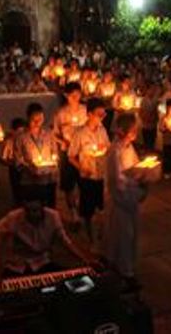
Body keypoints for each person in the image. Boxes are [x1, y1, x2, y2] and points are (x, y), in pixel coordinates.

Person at [0, 187, 92, 278]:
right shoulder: (14, 217)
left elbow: (66, 242)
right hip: (17, 267)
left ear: (43, 206)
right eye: (27, 211)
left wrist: (85, 259)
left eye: (35, 210)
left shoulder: (53, 216)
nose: (31, 214)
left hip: (42, 263)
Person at [102, 113, 148, 291]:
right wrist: (135, 190)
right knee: (123, 236)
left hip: (131, 197)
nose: (135, 133)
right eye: (132, 130)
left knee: (130, 235)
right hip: (121, 201)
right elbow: (117, 181)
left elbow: (135, 167)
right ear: (122, 131)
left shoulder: (129, 147)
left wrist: (144, 175)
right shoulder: (115, 151)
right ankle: (125, 273)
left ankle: (124, 267)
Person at [68, 98, 110, 243]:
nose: (102, 117)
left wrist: (104, 149)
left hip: (101, 175)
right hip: (87, 177)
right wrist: (81, 167)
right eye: (99, 114)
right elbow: (71, 156)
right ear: (89, 114)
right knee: (88, 211)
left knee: (102, 208)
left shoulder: (102, 130)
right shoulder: (80, 133)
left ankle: (101, 235)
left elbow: (108, 147)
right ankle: (91, 238)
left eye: (104, 114)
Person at [53, 83, 88, 225]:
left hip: (83, 151)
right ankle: (73, 212)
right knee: (68, 184)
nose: (75, 98)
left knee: (84, 180)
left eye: (78, 95)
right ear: (66, 95)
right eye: (72, 95)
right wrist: (62, 141)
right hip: (67, 152)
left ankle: (81, 206)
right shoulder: (60, 113)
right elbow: (54, 133)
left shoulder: (85, 110)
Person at [15, 103, 59, 208]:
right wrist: (29, 167)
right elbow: (18, 158)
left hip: (49, 179)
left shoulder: (48, 134)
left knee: (49, 208)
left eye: (40, 119)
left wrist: (54, 162)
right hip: (29, 180)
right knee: (33, 208)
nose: (37, 122)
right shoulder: (21, 137)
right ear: (28, 118)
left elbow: (55, 152)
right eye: (34, 119)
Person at [1, 118, 27, 205]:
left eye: (22, 131)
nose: (20, 134)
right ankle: (17, 202)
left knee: (24, 185)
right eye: (18, 131)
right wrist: (10, 162)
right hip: (14, 167)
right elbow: (4, 156)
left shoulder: (26, 140)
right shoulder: (10, 140)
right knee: (16, 185)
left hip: (25, 167)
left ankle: (22, 201)